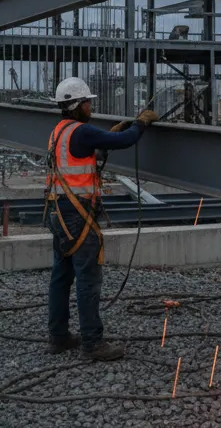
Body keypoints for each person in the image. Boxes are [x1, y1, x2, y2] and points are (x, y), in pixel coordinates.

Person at [45, 76, 157, 362]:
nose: (90, 106)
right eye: (87, 102)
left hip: (57, 212)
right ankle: (92, 344)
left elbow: (83, 154)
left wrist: (103, 138)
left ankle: (58, 337)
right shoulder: (82, 132)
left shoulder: (59, 130)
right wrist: (140, 124)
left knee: (61, 275)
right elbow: (125, 140)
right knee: (88, 278)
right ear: (78, 105)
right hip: (77, 215)